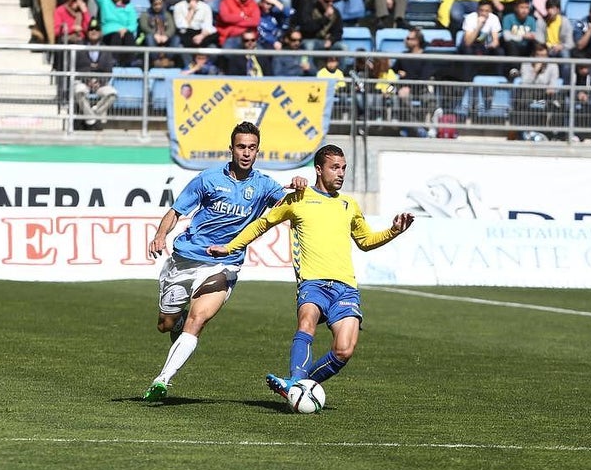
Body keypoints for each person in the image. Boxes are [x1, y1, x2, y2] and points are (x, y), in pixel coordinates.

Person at [207, 144, 414, 399]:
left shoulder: (349, 204)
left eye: (343, 168)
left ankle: (298, 387)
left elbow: (366, 241)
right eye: (334, 168)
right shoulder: (298, 198)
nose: (341, 173)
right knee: (307, 323)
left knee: (344, 350)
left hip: (345, 288)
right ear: (319, 169)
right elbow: (262, 225)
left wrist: (393, 231)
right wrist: (229, 247)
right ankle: (295, 379)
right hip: (312, 283)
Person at [143, 122, 308, 401]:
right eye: (241, 147)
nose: (246, 153)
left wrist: (300, 189)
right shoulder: (207, 179)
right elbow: (175, 211)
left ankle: (162, 380)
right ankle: (177, 321)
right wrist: (160, 236)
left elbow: (293, 207)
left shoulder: (264, 186)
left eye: (252, 148)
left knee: (198, 320)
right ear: (231, 149)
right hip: (186, 259)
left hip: (225, 263)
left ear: (257, 151)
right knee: (166, 324)